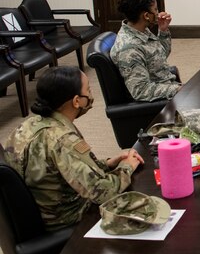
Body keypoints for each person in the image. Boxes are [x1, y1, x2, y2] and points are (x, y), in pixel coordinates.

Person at [4, 66, 144, 231]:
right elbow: (103, 193)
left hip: (38, 209)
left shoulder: (29, 125)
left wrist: (107, 164)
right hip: (65, 218)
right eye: (89, 90)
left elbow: (64, 168)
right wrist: (127, 167)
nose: (91, 96)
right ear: (77, 101)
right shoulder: (63, 140)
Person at [111, 0, 180, 101]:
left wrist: (163, 31)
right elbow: (141, 91)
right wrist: (177, 90)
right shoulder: (129, 49)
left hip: (167, 85)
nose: (158, 13)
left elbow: (159, 57)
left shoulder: (140, 30)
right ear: (146, 15)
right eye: (155, 9)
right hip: (161, 101)